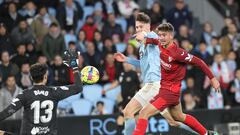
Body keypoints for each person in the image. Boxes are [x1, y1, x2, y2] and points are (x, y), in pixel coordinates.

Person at [114, 12, 196, 135]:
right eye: (137, 27)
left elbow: (158, 40)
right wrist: (127, 59)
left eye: (141, 27)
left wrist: (146, 36)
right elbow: (142, 64)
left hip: (155, 84)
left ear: (148, 26)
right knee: (173, 120)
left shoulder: (153, 36)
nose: (138, 30)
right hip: (153, 85)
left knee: (128, 112)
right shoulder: (142, 45)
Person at [133, 23, 220, 135]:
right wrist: (142, 38)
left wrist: (212, 79)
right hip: (169, 90)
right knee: (178, 116)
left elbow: (199, 62)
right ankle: (207, 133)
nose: (161, 38)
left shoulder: (178, 53)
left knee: (143, 113)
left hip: (169, 92)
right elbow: (151, 40)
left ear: (171, 36)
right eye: (160, 35)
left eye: (164, 35)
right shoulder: (160, 43)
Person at [0, 49, 82, 135]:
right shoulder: (54, 92)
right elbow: (78, 87)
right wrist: (74, 67)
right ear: (45, 77)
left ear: (31, 77)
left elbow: (8, 112)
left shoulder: (24, 94)